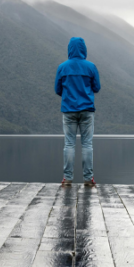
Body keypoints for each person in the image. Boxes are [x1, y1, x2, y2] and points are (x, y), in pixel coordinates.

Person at [55, 37, 101, 187]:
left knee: (69, 144)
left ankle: (67, 178)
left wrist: (69, 95)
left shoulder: (62, 67)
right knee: (87, 144)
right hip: (87, 110)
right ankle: (88, 179)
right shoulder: (91, 66)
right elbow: (97, 87)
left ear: (69, 49)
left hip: (69, 110)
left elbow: (57, 89)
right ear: (84, 49)